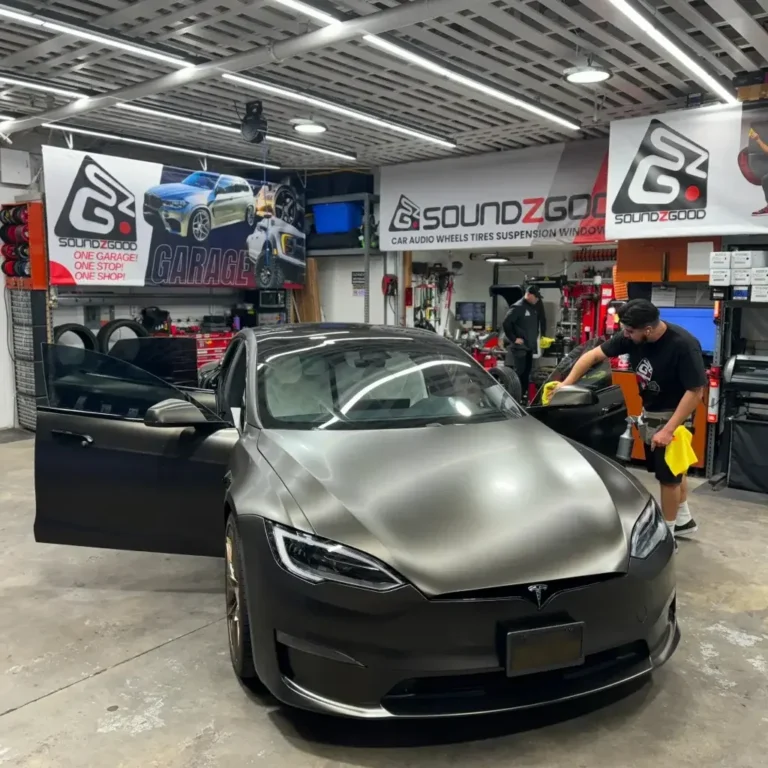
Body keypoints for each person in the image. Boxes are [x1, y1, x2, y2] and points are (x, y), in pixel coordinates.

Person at [552, 299, 706, 540]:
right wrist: (565, 384)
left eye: (630, 331)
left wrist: (668, 429)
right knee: (674, 469)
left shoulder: (683, 345)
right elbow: (591, 356)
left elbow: (696, 391)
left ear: (648, 329)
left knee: (668, 480)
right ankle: (684, 518)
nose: (625, 335)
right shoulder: (630, 337)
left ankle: (668, 533)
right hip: (652, 411)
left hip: (674, 415)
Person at [502, 285, 541, 401]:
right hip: (520, 348)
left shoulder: (531, 308)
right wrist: (514, 339)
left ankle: (522, 398)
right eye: (536, 297)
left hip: (528, 347)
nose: (537, 299)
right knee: (519, 373)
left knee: (526, 374)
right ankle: (513, 399)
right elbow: (506, 323)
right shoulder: (518, 307)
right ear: (528, 295)